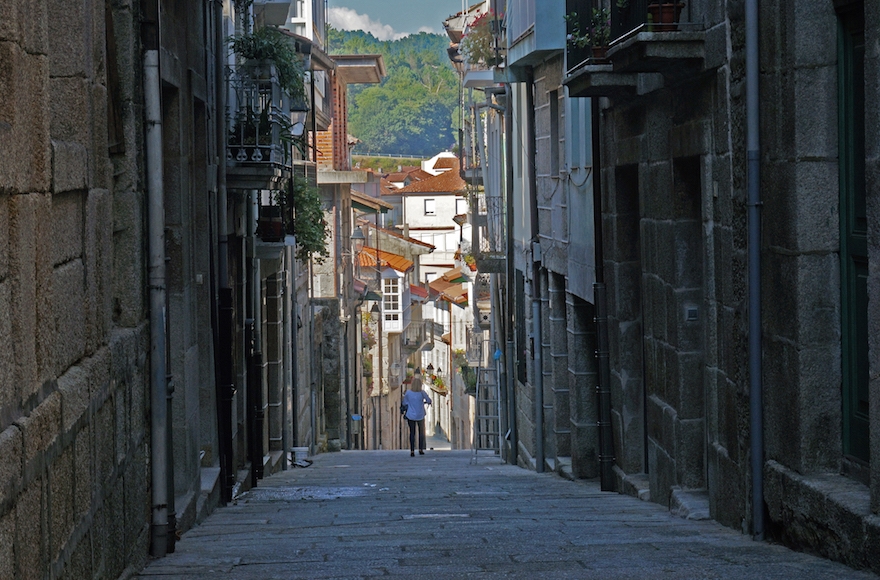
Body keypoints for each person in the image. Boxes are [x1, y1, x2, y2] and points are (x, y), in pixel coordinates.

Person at [401, 369, 432, 456]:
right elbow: (429, 400)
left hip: (410, 415)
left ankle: (412, 451)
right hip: (420, 415)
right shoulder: (422, 393)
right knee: (421, 432)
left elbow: (404, 402)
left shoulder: (408, 393)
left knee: (412, 432)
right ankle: (421, 449)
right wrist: (426, 402)